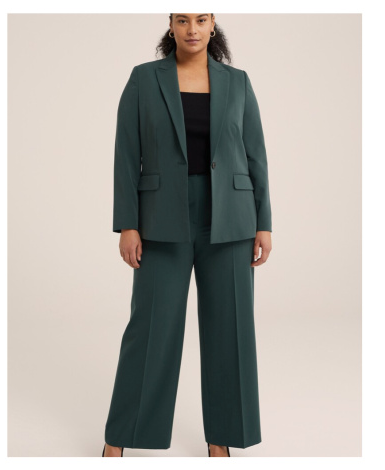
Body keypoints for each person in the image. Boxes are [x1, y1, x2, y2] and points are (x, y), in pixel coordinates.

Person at [102, 13, 272, 457]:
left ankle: (222, 438)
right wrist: (128, 223)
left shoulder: (238, 82)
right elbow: (127, 154)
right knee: (151, 329)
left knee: (231, 330)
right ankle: (120, 437)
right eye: (182, 20)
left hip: (231, 219)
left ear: (213, 25)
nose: (192, 29)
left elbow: (255, 154)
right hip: (161, 219)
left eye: (200, 19)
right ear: (171, 26)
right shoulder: (144, 79)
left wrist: (264, 223)